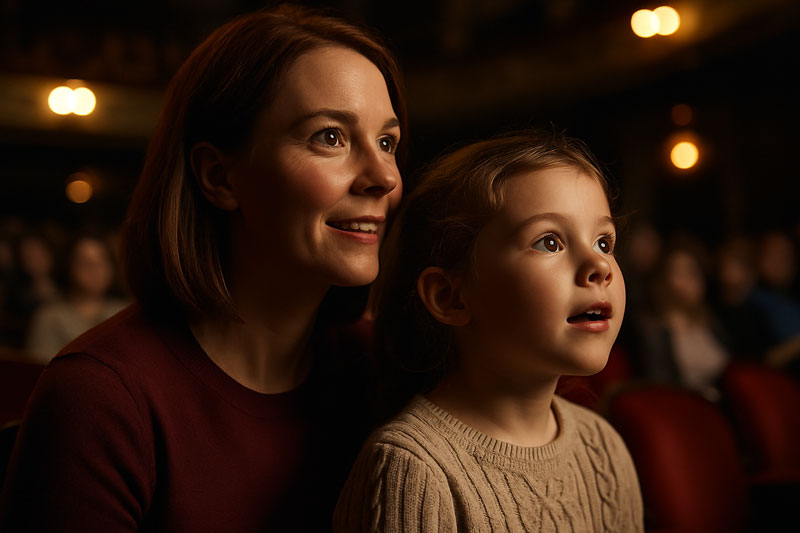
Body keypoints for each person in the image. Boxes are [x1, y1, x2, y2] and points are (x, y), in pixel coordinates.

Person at [0, 4, 406, 531]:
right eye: (330, 137)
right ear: (219, 176)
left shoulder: (381, 366)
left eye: (387, 142)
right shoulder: (102, 397)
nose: (383, 178)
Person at [334, 131, 643, 531]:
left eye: (604, 242)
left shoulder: (603, 448)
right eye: (549, 242)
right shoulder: (414, 468)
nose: (599, 266)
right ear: (450, 298)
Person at [24, 233, 128, 363]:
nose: (96, 270)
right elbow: (38, 367)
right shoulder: (49, 317)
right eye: (86, 263)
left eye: (103, 261)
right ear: (69, 267)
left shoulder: (124, 313)